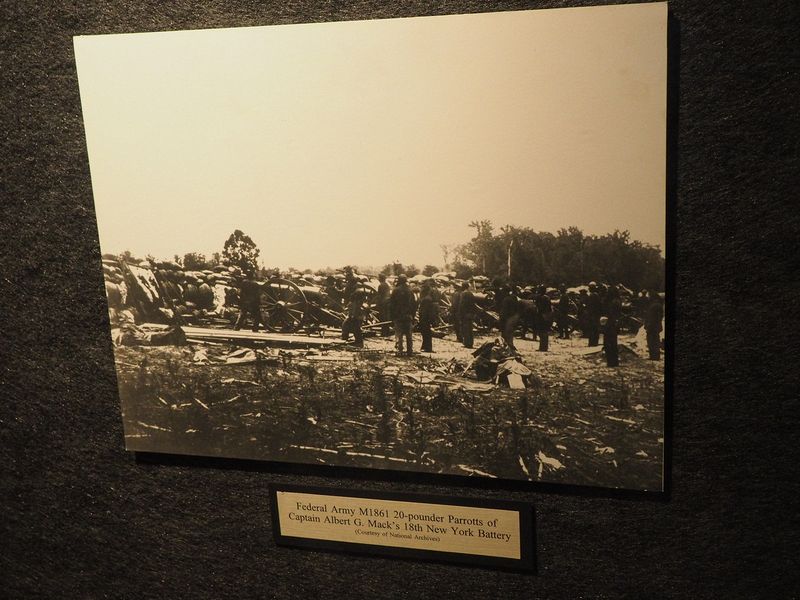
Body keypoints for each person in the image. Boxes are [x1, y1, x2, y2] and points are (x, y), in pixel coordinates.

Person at [390, 274, 416, 356]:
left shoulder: (396, 290)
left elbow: (392, 304)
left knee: (399, 334)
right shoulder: (410, 290)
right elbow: (414, 304)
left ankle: (400, 351)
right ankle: (410, 351)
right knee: (409, 335)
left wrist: (392, 315)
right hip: (408, 315)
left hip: (398, 315)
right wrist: (413, 315)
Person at [603, 285, 622, 367]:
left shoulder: (613, 302)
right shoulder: (617, 301)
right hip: (614, 324)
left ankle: (611, 361)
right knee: (613, 343)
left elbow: (611, 313)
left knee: (609, 343)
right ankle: (613, 361)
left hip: (611, 324)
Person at [417, 282, 438, 352]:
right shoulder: (427, 298)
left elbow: (425, 311)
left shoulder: (426, 299)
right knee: (426, 332)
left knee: (426, 333)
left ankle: (427, 347)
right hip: (425, 318)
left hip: (425, 318)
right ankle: (425, 347)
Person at [499, 286, 521, 352]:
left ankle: (507, 348)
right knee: (510, 334)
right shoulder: (514, 298)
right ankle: (510, 347)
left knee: (506, 333)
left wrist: (502, 319)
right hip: (514, 317)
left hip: (508, 318)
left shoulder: (506, 299)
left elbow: (504, 311)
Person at [644, 290, 664, 360]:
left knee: (652, 341)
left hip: (653, 326)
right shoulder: (657, 304)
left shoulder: (654, 305)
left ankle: (654, 356)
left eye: (649, 296)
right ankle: (654, 356)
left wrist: (648, 325)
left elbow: (652, 317)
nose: (648, 297)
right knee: (654, 341)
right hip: (655, 326)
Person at [534, 285, 552, 351]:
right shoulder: (547, 298)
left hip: (540, 315)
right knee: (544, 331)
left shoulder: (539, 297)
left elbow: (537, 306)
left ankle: (542, 347)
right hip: (546, 315)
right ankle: (544, 347)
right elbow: (549, 308)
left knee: (541, 331)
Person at [459, 282, 477, 348]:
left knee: (465, 329)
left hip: (465, 314)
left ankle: (467, 343)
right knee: (470, 328)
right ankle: (470, 343)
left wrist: (461, 314)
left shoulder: (463, 294)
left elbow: (462, 305)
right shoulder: (471, 294)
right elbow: (474, 304)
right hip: (470, 313)